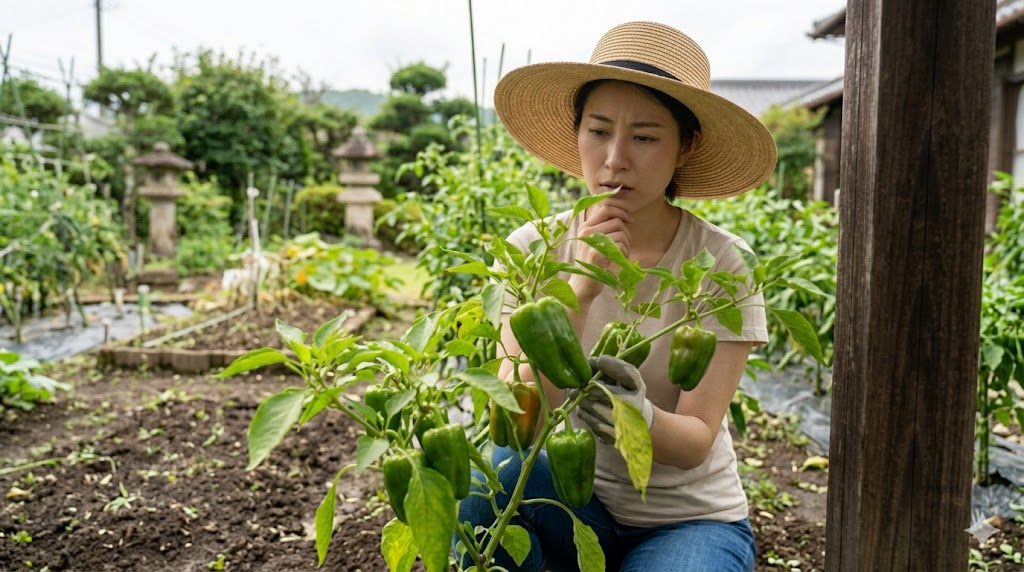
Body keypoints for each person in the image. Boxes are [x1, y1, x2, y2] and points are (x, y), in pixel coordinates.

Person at [458, 21, 777, 572]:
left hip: (686, 518)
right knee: (489, 490)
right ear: (576, 132)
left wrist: (633, 413)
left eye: (646, 137)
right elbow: (517, 419)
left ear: (686, 145)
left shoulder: (723, 263)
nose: (614, 159)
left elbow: (697, 440)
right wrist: (578, 292)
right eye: (598, 131)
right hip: (572, 504)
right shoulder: (531, 249)